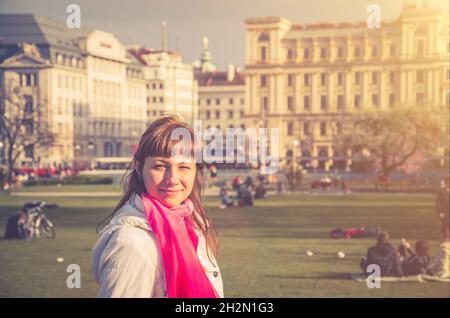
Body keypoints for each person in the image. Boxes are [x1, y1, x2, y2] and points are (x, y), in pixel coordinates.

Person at [92, 116, 224, 298]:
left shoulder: (193, 227)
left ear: (196, 171)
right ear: (139, 168)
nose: (172, 179)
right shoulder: (133, 244)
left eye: (184, 167)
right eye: (160, 166)